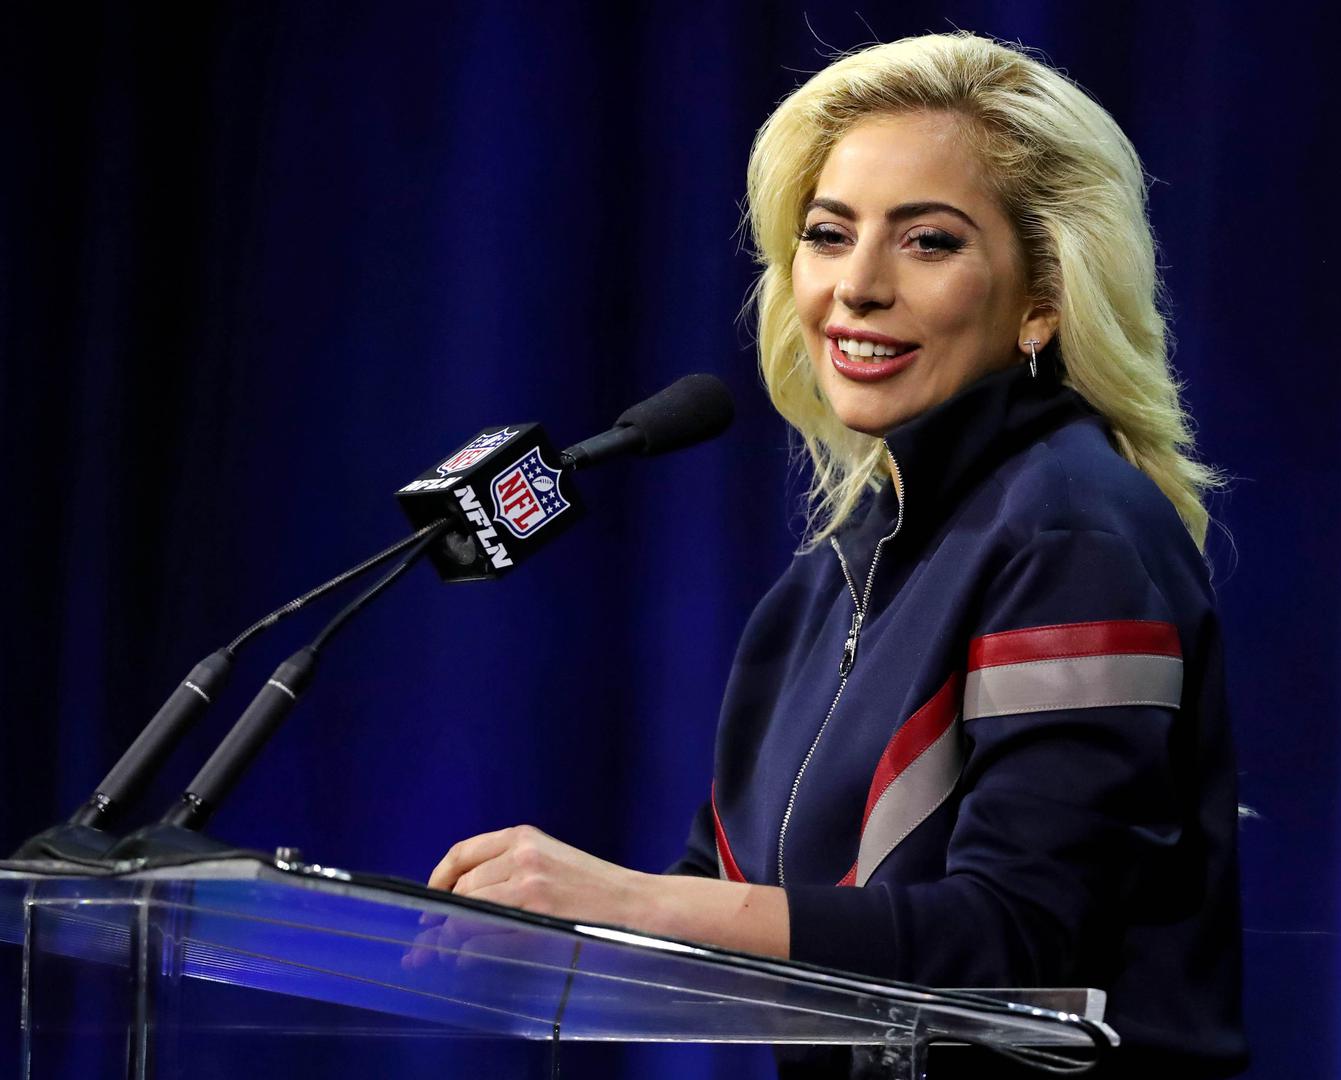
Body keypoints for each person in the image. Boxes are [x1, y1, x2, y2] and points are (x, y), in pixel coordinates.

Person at [427, 31, 1247, 1077]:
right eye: (827, 234)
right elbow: (727, 908)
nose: (856, 286)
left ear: (1043, 296)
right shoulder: (822, 584)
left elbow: (1020, 940)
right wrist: (547, 926)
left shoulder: (1070, 528)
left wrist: (630, 902)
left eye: (929, 242)